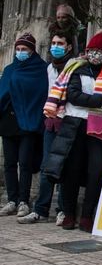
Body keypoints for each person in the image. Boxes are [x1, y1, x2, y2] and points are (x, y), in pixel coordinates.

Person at [42, 31, 102, 232]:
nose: (95, 55)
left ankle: (87, 216)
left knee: (96, 172)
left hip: (98, 128)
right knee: (71, 171)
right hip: (74, 125)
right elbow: (74, 96)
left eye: (99, 51)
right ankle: (68, 214)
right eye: (92, 50)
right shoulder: (77, 68)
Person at [17, 31, 75, 225]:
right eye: (53, 43)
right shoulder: (50, 68)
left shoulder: (74, 66)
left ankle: (62, 210)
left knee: (64, 167)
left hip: (67, 121)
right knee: (45, 167)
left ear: (68, 46)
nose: (55, 46)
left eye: (60, 43)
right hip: (50, 121)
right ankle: (41, 209)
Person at [0, 33, 48, 217]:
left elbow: (41, 94)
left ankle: (23, 201)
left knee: (25, 163)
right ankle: (11, 200)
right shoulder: (10, 69)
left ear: (32, 50)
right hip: (9, 121)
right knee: (10, 163)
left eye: (24, 49)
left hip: (29, 121)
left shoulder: (40, 69)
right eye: (18, 49)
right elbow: (3, 92)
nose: (20, 52)